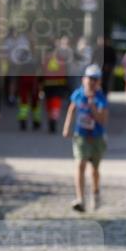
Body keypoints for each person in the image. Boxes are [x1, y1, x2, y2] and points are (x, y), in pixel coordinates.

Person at [62, 63, 108, 212]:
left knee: (94, 169)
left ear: (99, 82)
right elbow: (71, 109)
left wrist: (93, 107)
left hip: (97, 138)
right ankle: (80, 199)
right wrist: (67, 127)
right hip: (80, 135)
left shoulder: (100, 97)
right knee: (80, 164)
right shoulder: (78, 94)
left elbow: (102, 119)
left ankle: (95, 194)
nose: (92, 82)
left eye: (95, 79)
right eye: (90, 78)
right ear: (84, 79)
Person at [42, 36, 71, 133]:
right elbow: (65, 73)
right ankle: (53, 120)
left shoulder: (46, 58)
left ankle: (51, 120)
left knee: (50, 103)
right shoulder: (61, 59)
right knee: (55, 103)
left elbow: (42, 72)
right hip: (58, 85)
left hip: (48, 85)